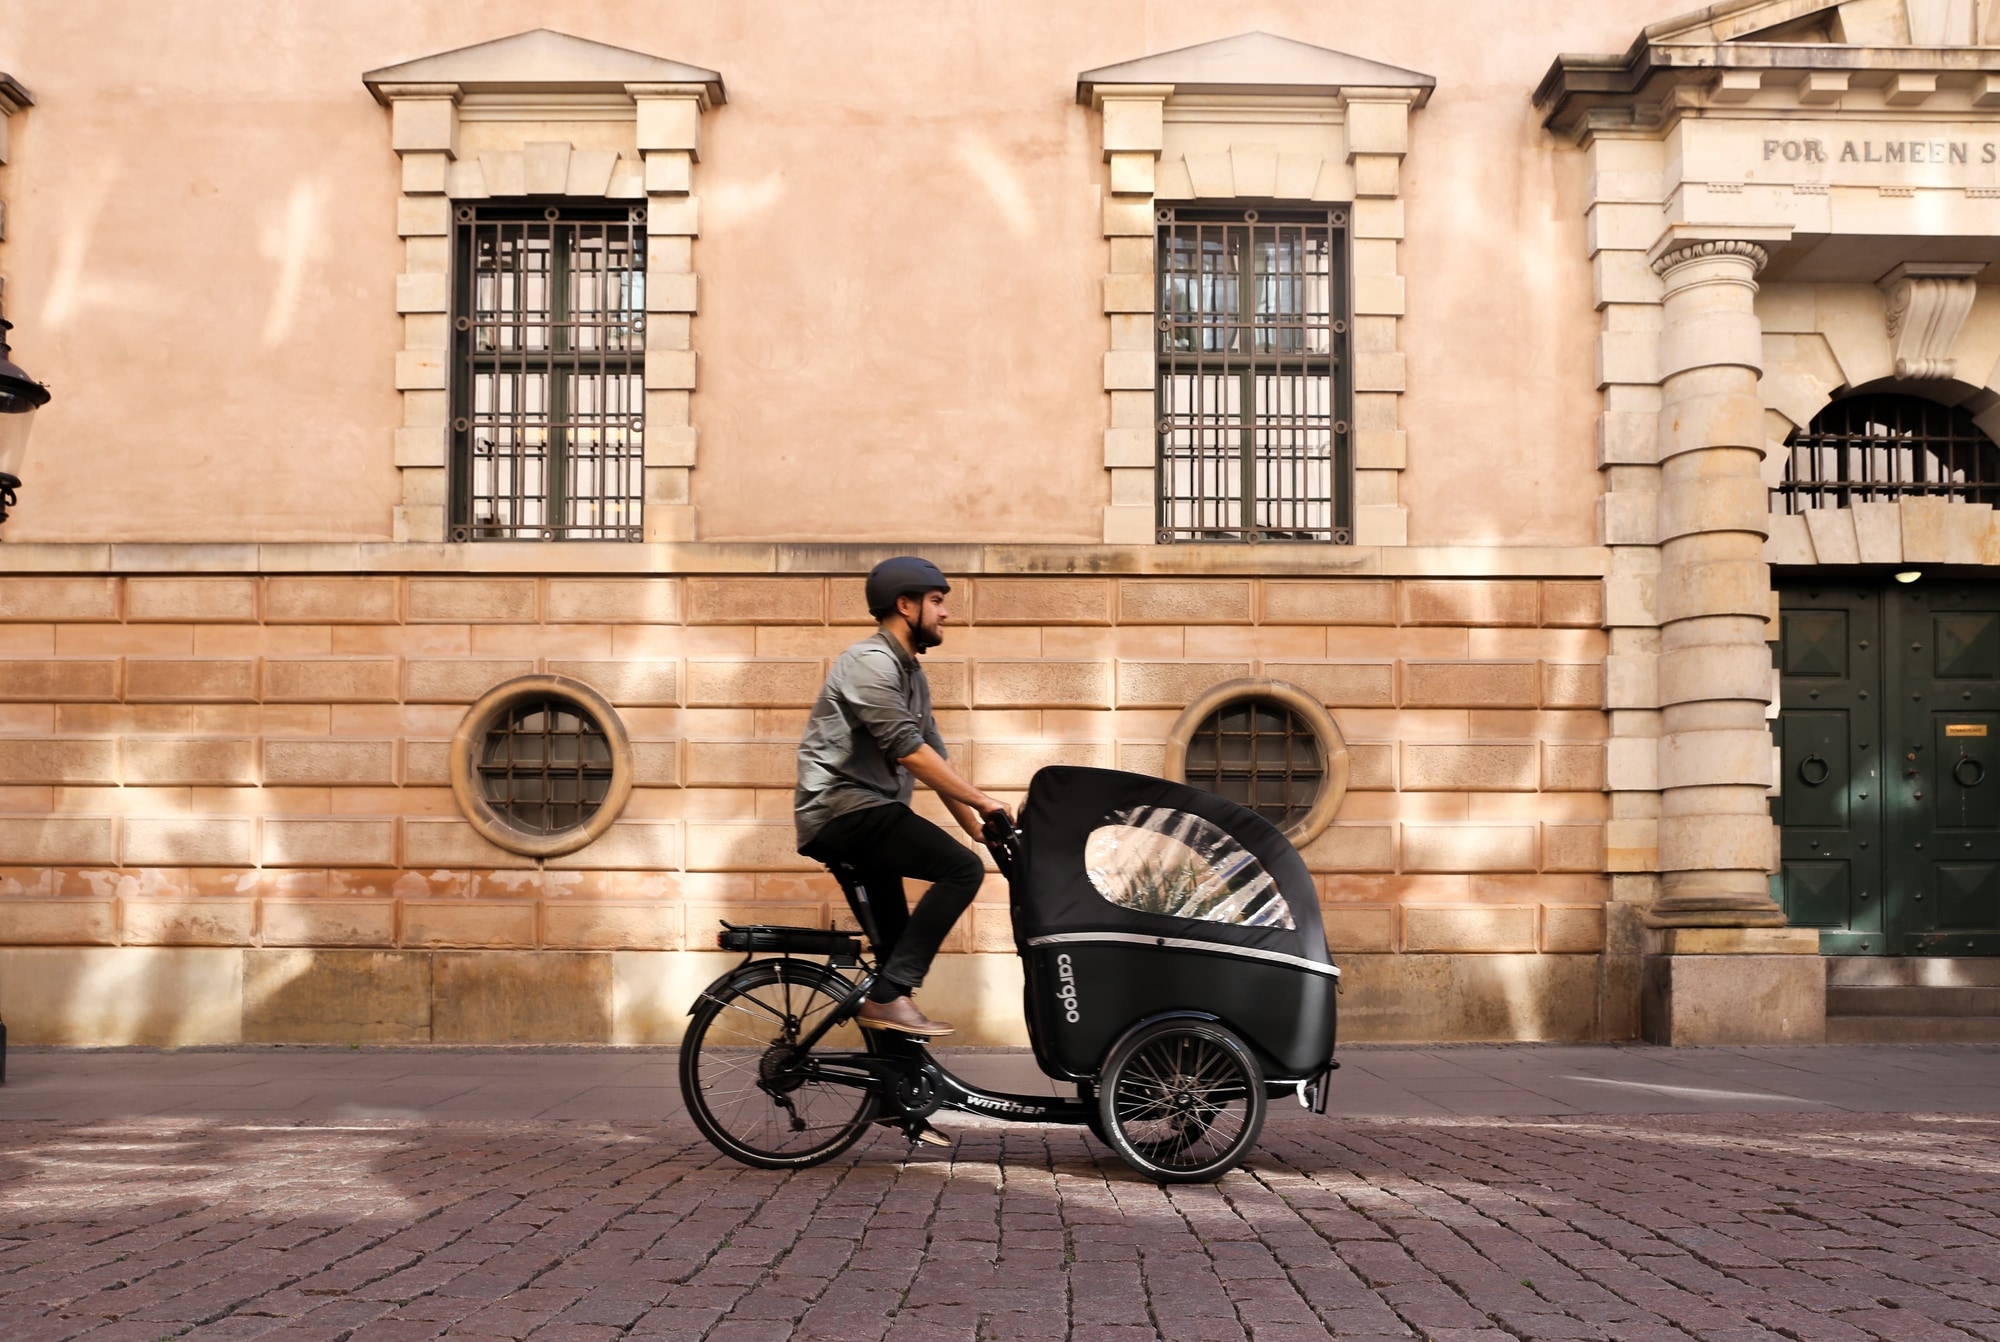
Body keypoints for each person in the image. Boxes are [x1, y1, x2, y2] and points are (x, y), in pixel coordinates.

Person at [795, 557, 1011, 1037]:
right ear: (904, 605)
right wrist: (982, 802)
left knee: (893, 967)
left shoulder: (911, 674)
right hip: (843, 810)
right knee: (961, 869)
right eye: (937, 602)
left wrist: (975, 825)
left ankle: (900, 1102)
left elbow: (934, 756)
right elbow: (907, 751)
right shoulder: (869, 663)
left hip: (867, 813)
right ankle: (890, 995)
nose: (945, 613)